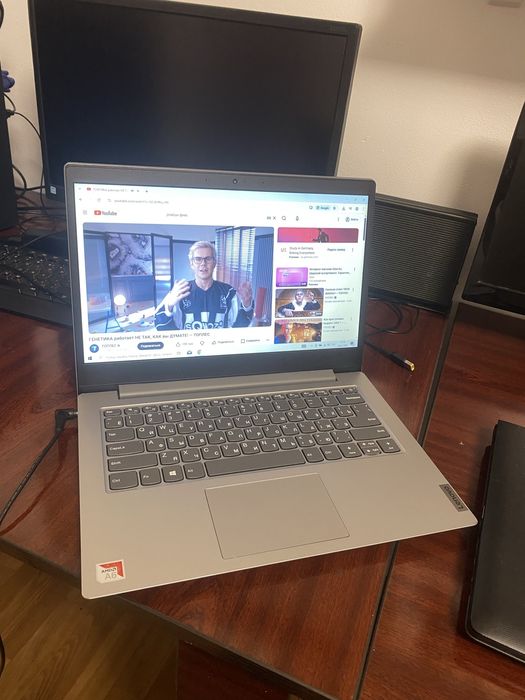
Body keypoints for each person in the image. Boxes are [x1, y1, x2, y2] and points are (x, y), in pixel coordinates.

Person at [155, 241, 254, 330]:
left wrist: (247, 306)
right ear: (191, 264)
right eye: (198, 259)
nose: (203, 263)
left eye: (208, 258)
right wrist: (169, 306)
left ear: (214, 263)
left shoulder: (228, 292)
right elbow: (161, 327)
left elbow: (240, 328)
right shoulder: (180, 291)